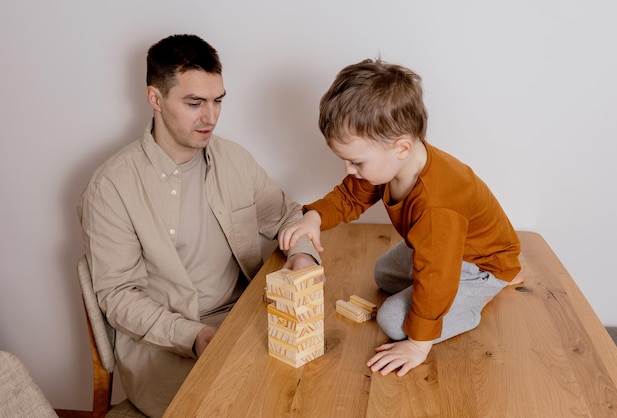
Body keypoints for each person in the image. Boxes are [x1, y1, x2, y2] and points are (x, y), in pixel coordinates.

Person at [77, 34, 320, 417]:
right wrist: (195, 336)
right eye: (194, 103)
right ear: (155, 99)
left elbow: (288, 215)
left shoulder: (234, 159)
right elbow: (118, 296)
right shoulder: (111, 188)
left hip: (246, 321)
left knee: (324, 385)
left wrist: (303, 256)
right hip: (169, 346)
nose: (210, 117)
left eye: (218, 101)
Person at [279, 58, 522, 378]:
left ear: (401, 147)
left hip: (476, 263)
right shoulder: (393, 163)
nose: (349, 171)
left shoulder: (438, 205)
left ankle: (481, 295)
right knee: (384, 273)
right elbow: (350, 195)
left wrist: (419, 344)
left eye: (356, 163)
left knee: (393, 321)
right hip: (441, 248)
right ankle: (464, 293)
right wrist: (314, 219)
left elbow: (436, 276)